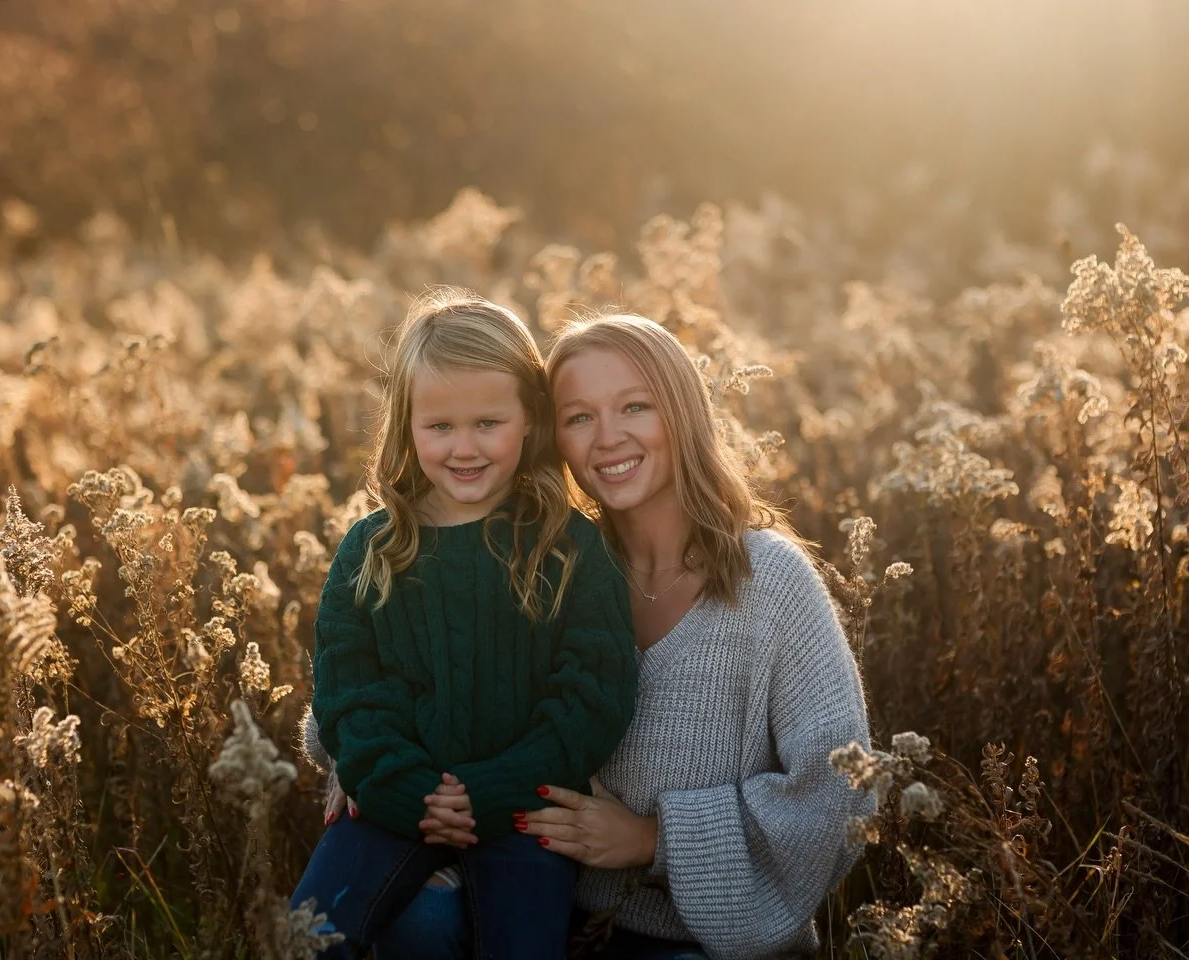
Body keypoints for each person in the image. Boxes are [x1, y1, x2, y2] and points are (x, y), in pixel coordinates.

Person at [321, 311, 875, 959]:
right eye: (579, 416)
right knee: (422, 919)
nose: (607, 438)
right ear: (549, 432)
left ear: (682, 414)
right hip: (557, 914)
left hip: (700, 941)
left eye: (635, 407)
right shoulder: (548, 558)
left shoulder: (770, 581)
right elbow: (393, 666)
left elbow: (841, 789)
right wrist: (362, 766)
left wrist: (654, 838)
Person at [289, 291, 640, 960]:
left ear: (529, 422)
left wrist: (494, 788)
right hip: (395, 806)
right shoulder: (373, 550)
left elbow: (593, 695)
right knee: (307, 935)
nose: (464, 448)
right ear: (407, 426)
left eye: (488, 422)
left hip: (521, 812)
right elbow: (350, 690)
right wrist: (400, 784)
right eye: (439, 426)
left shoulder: (567, 547)